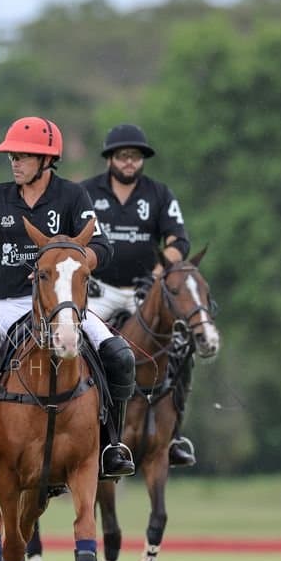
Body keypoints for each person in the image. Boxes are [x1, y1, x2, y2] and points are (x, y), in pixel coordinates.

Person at [0, 116, 136, 479]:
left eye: (23, 156)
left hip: (62, 305)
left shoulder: (72, 196)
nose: (14, 162)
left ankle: (112, 443)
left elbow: (101, 247)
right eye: (12, 156)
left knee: (118, 353)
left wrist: (68, 262)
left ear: (47, 161)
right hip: (7, 304)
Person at [80, 123, 197, 467]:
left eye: (135, 156)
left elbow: (179, 242)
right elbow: (68, 241)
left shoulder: (159, 194)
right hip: (99, 289)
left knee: (180, 347)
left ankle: (174, 435)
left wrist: (159, 274)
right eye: (122, 156)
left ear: (142, 160)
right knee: (78, 344)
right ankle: (83, 426)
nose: (129, 162)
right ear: (110, 158)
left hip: (143, 291)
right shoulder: (86, 193)